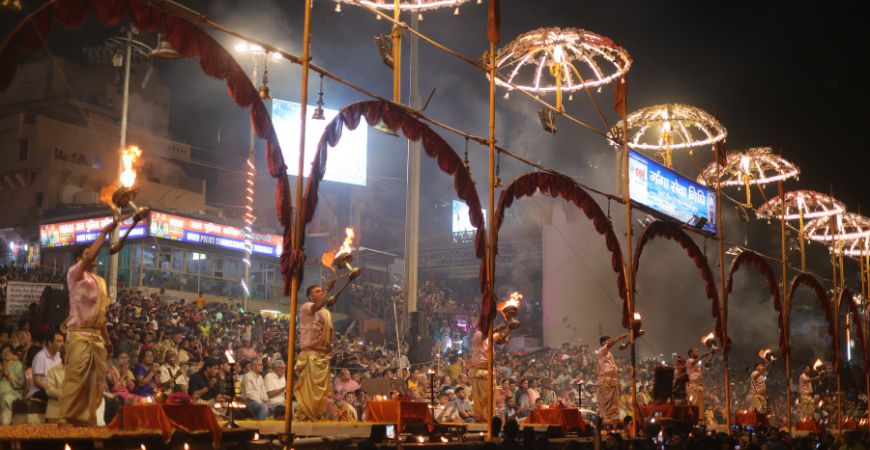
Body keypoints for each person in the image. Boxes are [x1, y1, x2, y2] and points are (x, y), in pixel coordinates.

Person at [60, 219, 117, 426]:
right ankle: (67, 418)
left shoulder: (100, 281)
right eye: (86, 254)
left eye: (90, 254)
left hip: (96, 336)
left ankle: (88, 420)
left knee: (96, 380)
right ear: (78, 259)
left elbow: (101, 315)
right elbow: (91, 254)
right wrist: (103, 233)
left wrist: (107, 338)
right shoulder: (75, 274)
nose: (91, 256)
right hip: (79, 334)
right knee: (75, 377)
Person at [294, 284, 336, 420]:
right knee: (309, 393)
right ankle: (306, 417)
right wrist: (328, 290)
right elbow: (317, 306)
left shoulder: (327, 313)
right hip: (310, 355)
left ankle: (319, 415)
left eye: (322, 291)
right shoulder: (307, 306)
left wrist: (330, 346)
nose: (320, 293)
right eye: (317, 291)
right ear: (309, 296)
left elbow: (329, 333)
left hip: (322, 356)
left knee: (322, 393)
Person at [469, 325, 505, 422]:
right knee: (483, 399)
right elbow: (486, 335)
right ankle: (482, 418)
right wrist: (497, 328)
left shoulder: (490, 337)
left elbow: (502, 336)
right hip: (479, 371)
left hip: (488, 371)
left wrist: (510, 326)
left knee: (489, 398)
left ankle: (488, 418)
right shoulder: (478, 334)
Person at [597, 334, 627, 425]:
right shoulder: (602, 350)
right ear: (603, 342)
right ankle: (606, 424)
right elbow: (609, 345)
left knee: (614, 404)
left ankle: (612, 424)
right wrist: (619, 338)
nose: (610, 342)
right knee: (607, 404)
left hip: (612, 380)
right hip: (606, 380)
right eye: (608, 340)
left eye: (610, 340)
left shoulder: (609, 353)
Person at [29, 332, 63, 400]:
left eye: (62, 341)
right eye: (59, 341)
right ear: (50, 343)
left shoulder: (60, 356)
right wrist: (51, 390)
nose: (62, 344)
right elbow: (37, 380)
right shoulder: (40, 357)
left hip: (56, 389)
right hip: (40, 390)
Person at [0, 343, 25, 425]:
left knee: (4, 399)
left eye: (9, 351)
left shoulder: (18, 365)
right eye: (4, 351)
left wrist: (9, 375)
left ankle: (5, 429)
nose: (6, 353)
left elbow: (20, 383)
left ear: (13, 354)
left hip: (13, 392)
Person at [686, 347, 713, 417]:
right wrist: (703, 356)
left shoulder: (698, 363)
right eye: (696, 352)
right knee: (693, 404)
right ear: (691, 354)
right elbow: (695, 361)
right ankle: (692, 421)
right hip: (693, 385)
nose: (697, 353)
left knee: (700, 405)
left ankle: (699, 420)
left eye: (698, 351)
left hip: (699, 386)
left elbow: (708, 365)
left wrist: (710, 355)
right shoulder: (689, 361)